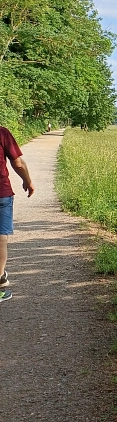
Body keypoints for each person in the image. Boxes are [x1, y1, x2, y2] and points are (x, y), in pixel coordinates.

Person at [0, 126, 34, 302]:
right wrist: (28, 181)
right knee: (0, 237)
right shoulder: (2, 133)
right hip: (1, 193)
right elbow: (18, 163)